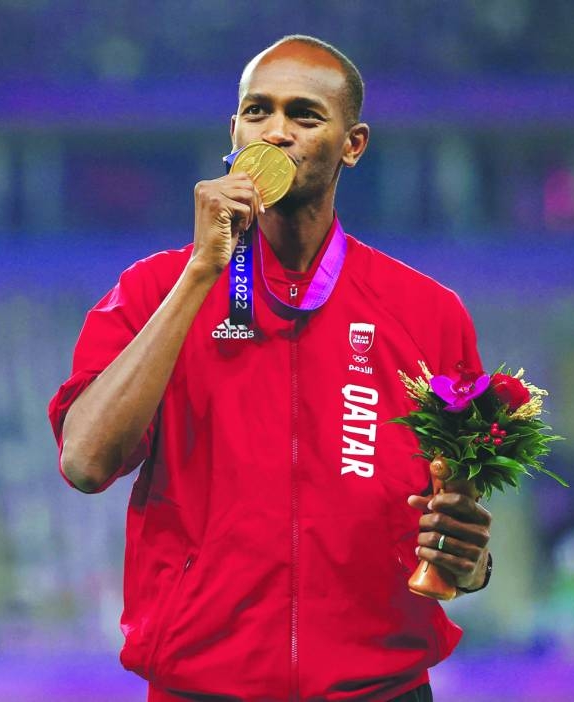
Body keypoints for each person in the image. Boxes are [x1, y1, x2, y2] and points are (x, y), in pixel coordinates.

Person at [49, 35, 493, 702]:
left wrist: (471, 563)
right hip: (202, 688)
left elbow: (454, 519)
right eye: (257, 111)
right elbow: (85, 463)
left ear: (354, 143)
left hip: (379, 689)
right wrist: (202, 272)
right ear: (234, 131)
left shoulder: (429, 314)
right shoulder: (151, 292)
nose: (276, 132)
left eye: (305, 115)